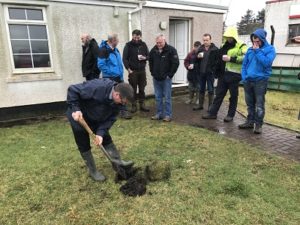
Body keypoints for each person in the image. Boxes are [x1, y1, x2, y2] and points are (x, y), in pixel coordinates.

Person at [66, 79, 134, 181]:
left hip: (98, 118)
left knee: (105, 137)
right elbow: (73, 90)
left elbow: (110, 119)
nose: (123, 104)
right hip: (80, 118)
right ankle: (93, 170)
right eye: (123, 101)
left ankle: (117, 161)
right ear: (116, 94)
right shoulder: (98, 87)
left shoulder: (118, 104)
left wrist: (100, 133)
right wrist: (76, 109)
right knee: (83, 143)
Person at [202, 27, 247, 122]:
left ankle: (230, 115)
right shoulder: (224, 45)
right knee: (218, 95)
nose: (229, 39)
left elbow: (245, 58)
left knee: (233, 96)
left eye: (230, 37)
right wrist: (216, 71)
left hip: (234, 75)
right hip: (223, 75)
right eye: (227, 37)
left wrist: (231, 59)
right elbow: (219, 59)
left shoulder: (241, 46)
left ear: (234, 36)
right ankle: (212, 113)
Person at [238, 28, 276, 134]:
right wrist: (244, 77)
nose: (255, 43)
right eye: (253, 41)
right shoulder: (250, 50)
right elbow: (244, 65)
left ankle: (258, 125)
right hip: (248, 81)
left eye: (257, 41)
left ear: (262, 39)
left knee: (259, 105)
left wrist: (258, 51)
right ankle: (249, 122)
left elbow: (267, 63)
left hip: (260, 81)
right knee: (250, 104)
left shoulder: (270, 49)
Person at [98, 33, 132, 119]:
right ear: (112, 40)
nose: (118, 41)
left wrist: (119, 74)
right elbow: (101, 65)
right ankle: (108, 113)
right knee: (110, 96)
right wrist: (112, 73)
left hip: (119, 77)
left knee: (122, 93)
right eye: (117, 40)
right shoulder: (103, 50)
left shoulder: (116, 50)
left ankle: (123, 111)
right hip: (110, 78)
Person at [149, 34, 179, 122]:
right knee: (158, 97)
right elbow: (150, 61)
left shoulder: (171, 50)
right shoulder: (153, 50)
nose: (159, 44)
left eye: (160, 42)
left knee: (167, 98)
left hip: (166, 79)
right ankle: (159, 114)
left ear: (164, 41)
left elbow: (175, 63)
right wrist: (152, 72)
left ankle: (168, 115)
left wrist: (170, 75)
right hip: (156, 78)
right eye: (157, 42)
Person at [123, 29, 150, 113]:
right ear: (132, 36)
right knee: (133, 89)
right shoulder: (128, 45)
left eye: (138, 37)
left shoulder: (143, 44)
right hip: (133, 71)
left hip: (142, 70)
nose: (136, 39)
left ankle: (142, 104)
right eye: (135, 37)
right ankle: (133, 105)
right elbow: (124, 58)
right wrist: (128, 69)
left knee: (142, 88)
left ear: (140, 36)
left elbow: (148, 56)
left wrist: (144, 58)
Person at [193, 34, 219, 111]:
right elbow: (195, 61)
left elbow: (217, 62)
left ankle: (210, 107)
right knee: (201, 89)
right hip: (201, 73)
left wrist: (213, 71)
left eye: (207, 40)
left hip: (210, 73)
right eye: (204, 40)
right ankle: (200, 105)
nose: (205, 42)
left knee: (211, 90)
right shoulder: (200, 49)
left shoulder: (215, 49)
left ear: (210, 40)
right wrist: (197, 57)